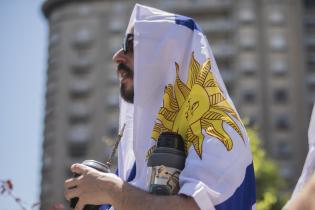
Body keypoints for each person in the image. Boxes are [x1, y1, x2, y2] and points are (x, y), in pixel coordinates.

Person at [64, 4, 256, 210]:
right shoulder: (137, 161)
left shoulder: (217, 127)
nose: (117, 57)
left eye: (131, 45)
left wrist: (112, 191)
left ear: (169, 52)